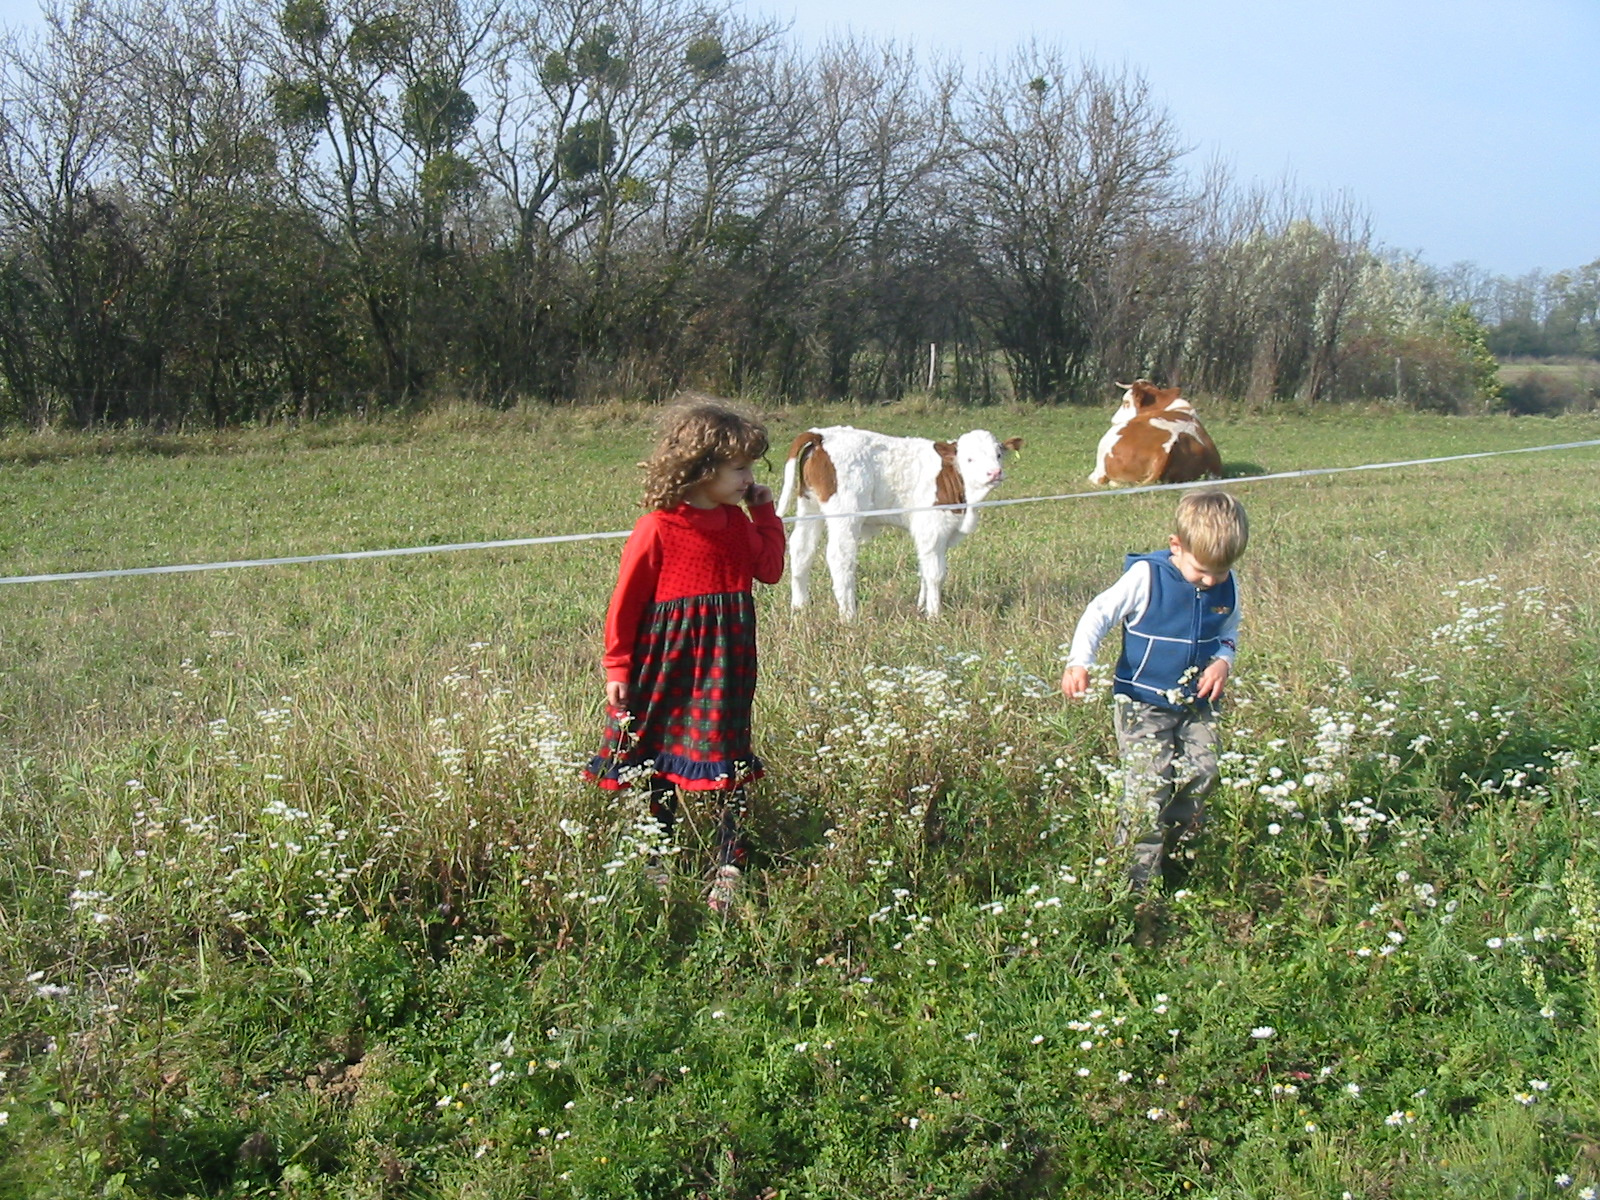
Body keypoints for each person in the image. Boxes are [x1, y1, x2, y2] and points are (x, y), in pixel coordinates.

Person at [583, 396, 786, 912]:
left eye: (750, 468)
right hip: (667, 659)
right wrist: (617, 665)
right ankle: (656, 858)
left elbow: (769, 570)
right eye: (739, 468)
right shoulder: (658, 527)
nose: (747, 477)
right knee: (656, 758)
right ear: (701, 468)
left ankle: (730, 862)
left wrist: (762, 511)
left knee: (728, 758)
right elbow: (626, 603)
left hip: (727, 661)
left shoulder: (738, 523)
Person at [1059, 490, 1249, 894]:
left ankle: (1178, 859)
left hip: (1197, 703)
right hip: (1142, 703)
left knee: (1204, 773)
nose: (1212, 580)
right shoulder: (1147, 577)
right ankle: (1135, 883)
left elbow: (1229, 631)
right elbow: (1099, 613)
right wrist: (1080, 661)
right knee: (1149, 788)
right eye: (1202, 570)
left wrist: (1223, 661)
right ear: (1176, 546)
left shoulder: (1225, 582)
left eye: (1222, 570)